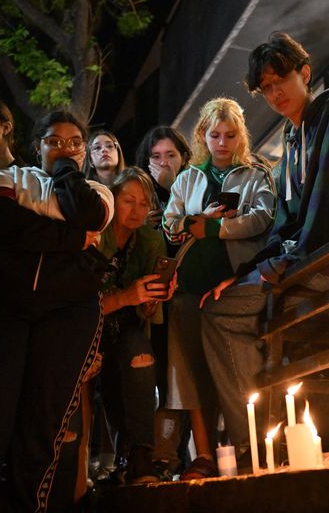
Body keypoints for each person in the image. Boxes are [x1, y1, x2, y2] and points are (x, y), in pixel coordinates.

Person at [200, 33, 329, 460]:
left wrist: (286, 262)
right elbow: (285, 220)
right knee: (221, 304)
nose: (274, 93)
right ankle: (266, 437)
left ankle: (253, 441)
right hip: (305, 259)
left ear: (306, 73)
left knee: (221, 316)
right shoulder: (291, 141)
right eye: (266, 88)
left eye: (281, 81)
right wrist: (249, 270)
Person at [0, 111, 113, 511]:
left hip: (68, 312)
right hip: (4, 309)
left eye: (74, 142)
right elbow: (0, 223)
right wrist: (72, 237)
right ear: (36, 145)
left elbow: (90, 213)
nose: (64, 147)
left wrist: (65, 171)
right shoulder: (12, 177)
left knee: (43, 421)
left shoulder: (97, 189)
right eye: (53, 141)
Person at [163, 97, 276, 479]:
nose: (222, 142)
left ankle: (242, 447)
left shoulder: (254, 174)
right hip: (189, 284)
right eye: (215, 135)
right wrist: (194, 221)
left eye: (230, 135)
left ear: (241, 136)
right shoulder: (189, 177)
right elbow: (170, 224)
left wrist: (217, 228)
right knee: (191, 370)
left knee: (227, 367)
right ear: (203, 136)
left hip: (233, 283)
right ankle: (205, 454)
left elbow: (262, 218)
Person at [98, 166, 177, 483]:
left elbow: (146, 314)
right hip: (86, 325)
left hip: (126, 326)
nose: (135, 209)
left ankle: (141, 454)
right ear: (113, 199)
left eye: (143, 203)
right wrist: (126, 296)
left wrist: (154, 297)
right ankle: (122, 454)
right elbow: (78, 300)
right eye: (128, 200)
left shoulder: (149, 240)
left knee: (141, 357)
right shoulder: (96, 232)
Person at [133, 126, 192, 476]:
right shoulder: (140, 197)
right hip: (151, 302)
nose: (163, 163)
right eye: (155, 157)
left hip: (187, 297)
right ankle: (157, 454)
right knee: (158, 378)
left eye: (170, 155)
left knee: (182, 377)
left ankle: (177, 453)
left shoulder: (190, 190)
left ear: (183, 157)